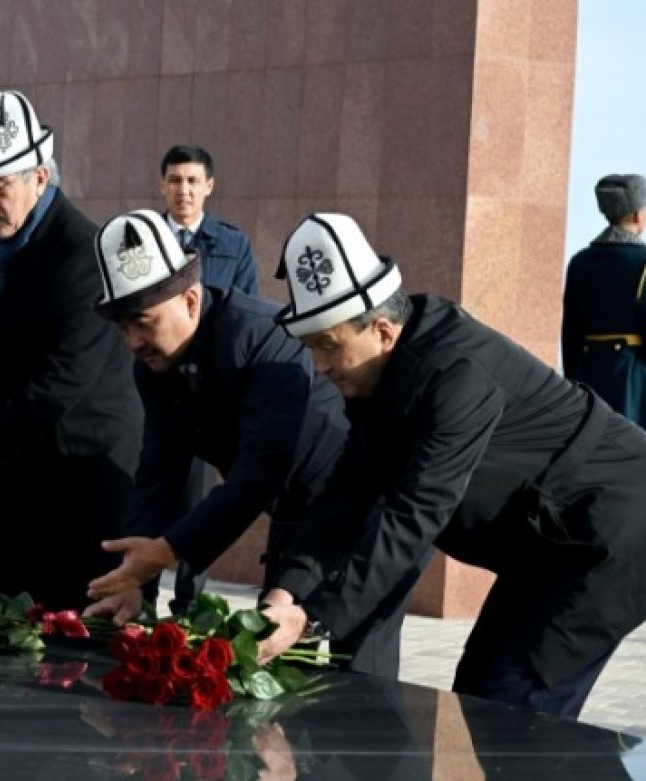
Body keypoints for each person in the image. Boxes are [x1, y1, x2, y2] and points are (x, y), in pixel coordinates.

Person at [256, 212, 646, 720]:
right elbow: (346, 494)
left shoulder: (456, 370)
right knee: (479, 698)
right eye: (311, 349)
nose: (321, 367)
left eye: (329, 347)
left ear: (382, 330)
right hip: (547, 547)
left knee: (515, 712)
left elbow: (415, 511)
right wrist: (286, 593)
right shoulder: (378, 375)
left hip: (609, 534)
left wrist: (315, 620)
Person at [82, 209, 401, 676]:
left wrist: (169, 551)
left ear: (191, 300)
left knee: (359, 672)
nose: (133, 341)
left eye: (144, 323)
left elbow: (259, 471)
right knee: (277, 662)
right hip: (295, 518)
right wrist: (134, 582)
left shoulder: (262, 335)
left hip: (363, 515)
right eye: (123, 327)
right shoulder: (153, 368)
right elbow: (159, 471)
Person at [0, 90, 144, 612]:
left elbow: (63, 379)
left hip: (82, 477)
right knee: (15, 622)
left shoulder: (84, 252)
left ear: (40, 178)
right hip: (19, 468)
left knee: (76, 637)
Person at [158, 144, 261, 614]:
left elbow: (246, 315)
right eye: (175, 180)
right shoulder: (145, 237)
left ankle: (188, 606)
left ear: (209, 187)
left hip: (205, 398)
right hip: (155, 392)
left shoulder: (232, 244)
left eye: (192, 181)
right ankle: (133, 597)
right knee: (151, 493)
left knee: (201, 504)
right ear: (162, 185)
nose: (184, 190)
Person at [562, 173, 646, 426]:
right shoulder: (643, 263)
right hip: (633, 380)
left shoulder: (580, 261)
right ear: (637, 215)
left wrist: (573, 379)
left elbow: (571, 332)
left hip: (589, 374)